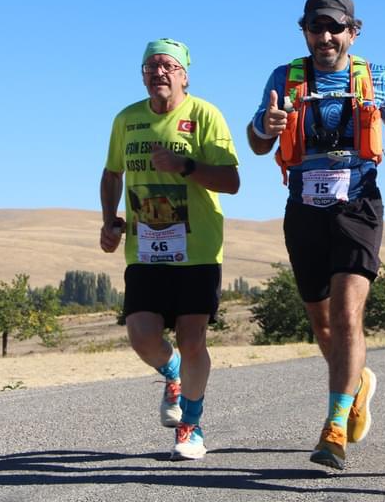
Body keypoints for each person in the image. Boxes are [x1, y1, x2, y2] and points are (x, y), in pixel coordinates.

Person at [246, 0, 385, 469]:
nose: (325, 36)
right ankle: (358, 383)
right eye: (316, 27)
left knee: (345, 315)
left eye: (334, 27)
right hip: (303, 207)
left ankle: (333, 428)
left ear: (353, 31)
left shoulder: (377, 77)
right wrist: (266, 124)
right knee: (322, 324)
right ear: (304, 31)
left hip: (357, 203)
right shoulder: (285, 77)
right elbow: (258, 143)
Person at [100, 38, 240, 461]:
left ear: (184, 75)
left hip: (196, 247)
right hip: (145, 248)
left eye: (168, 66)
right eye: (151, 66)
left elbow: (231, 181)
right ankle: (172, 374)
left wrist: (186, 167)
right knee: (142, 336)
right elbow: (111, 174)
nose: (159, 72)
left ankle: (190, 426)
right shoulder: (127, 119)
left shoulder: (204, 115)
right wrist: (110, 220)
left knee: (192, 337)